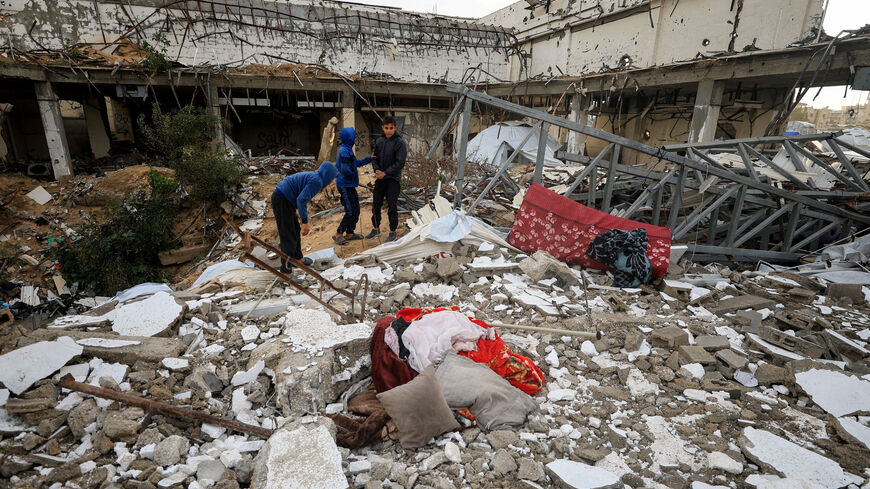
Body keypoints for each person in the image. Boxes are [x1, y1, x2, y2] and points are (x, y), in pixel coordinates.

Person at [272, 161, 339, 274]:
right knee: (288, 235)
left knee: (295, 230)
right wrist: (305, 222)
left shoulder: (315, 177)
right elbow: (302, 200)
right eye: (332, 177)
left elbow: (299, 196)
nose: (333, 181)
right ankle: (286, 272)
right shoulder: (317, 181)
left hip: (286, 200)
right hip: (282, 200)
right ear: (327, 175)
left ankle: (298, 259)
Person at [367, 116, 407, 242]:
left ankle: (393, 231)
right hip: (380, 178)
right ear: (382, 128)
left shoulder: (399, 143)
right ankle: (376, 228)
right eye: (386, 128)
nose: (389, 130)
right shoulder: (379, 141)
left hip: (393, 179)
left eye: (391, 128)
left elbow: (400, 163)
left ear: (395, 128)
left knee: (392, 205)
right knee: (376, 203)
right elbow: (375, 158)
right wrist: (377, 170)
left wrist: (385, 173)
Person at [333, 127, 372, 245]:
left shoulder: (348, 150)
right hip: (344, 185)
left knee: (356, 210)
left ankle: (350, 233)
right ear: (349, 138)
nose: (355, 139)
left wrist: (369, 158)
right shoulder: (344, 151)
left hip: (350, 185)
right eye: (353, 137)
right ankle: (338, 234)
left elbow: (356, 163)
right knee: (350, 211)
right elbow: (345, 170)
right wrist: (353, 176)